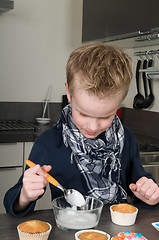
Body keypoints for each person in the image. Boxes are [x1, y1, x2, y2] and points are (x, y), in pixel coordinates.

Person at [4, 42, 159, 217]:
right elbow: (11, 203)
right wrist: (25, 195)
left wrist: (150, 195)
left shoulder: (127, 139)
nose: (93, 127)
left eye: (105, 116)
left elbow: (139, 185)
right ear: (69, 93)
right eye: (83, 114)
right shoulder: (48, 143)